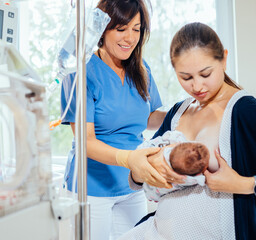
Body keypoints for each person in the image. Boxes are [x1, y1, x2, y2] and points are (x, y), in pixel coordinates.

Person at [120, 22, 256, 240]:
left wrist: (243, 184)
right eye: (186, 77)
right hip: (156, 232)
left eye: (205, 73)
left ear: (224, 59)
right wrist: (139, 167)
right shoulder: (177, 113)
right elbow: (141, 171)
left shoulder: (247, 113)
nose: (197, 86)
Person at [60, 0, 170, 239]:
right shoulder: (81, 69)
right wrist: (130, 158)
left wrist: (182, 112)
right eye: (121, 28)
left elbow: (147, 117)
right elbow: (85, 141)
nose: (130, 38)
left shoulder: (141, 69)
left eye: (136, 29)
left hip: (131, 184)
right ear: (103, 28)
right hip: (92, 187)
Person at [138, 130, 209, 201]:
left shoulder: (174, 145)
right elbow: (203, 180)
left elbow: (173, 135)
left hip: (145, 163)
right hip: (152, 186)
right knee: (156, 190)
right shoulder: (188, 178)